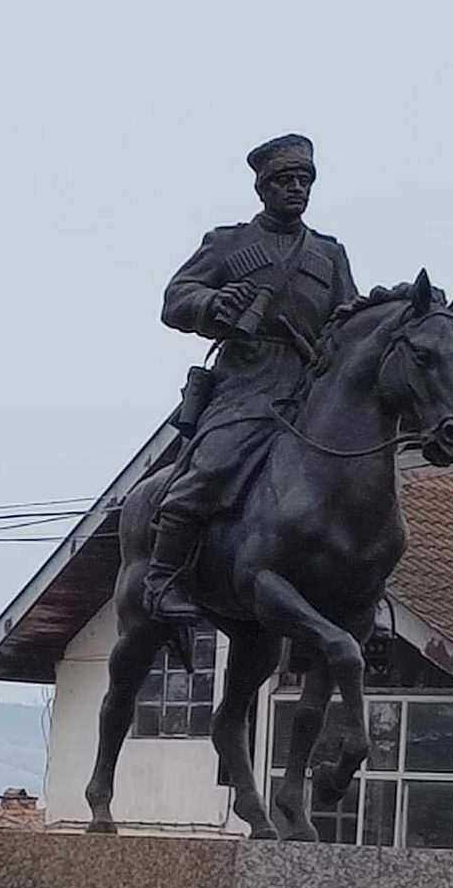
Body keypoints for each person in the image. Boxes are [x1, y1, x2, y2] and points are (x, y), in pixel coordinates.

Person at [142, 133, 358, 626]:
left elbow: (347, 319)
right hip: (247, 381)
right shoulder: (227, 243)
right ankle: (162, 578)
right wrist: (212, 302)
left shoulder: (329, 254)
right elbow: (176, 298)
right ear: (263, 188)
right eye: (285, 180)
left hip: (309, 385)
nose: (296, 189)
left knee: (358, 478)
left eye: (304, 181)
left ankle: (361, 589)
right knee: (213, 465)